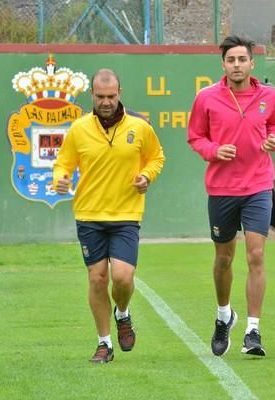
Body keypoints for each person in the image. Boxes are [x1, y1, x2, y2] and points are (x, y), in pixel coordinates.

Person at [53, 68, 165, 363]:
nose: (105, 101)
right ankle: (104, 343)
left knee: (123, 278)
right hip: (89, 214)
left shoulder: (139, 127)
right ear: (91, 95)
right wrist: (61, 178)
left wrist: (147, 176)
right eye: (100, 96)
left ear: (120, 94)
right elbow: (63, 163)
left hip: (126, 213)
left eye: (111, 96)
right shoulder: (79, 129)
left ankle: (123, 313)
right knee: (97, 279)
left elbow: (156, 157)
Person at [187, 35, 275, 357]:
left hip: (258, 185)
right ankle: (223, 316)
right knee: (224, 258)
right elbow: (195, 138)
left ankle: (253, 331)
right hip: (221, 189)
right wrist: (215, 150)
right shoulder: (206, 98)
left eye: (242, 59)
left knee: (256, 255)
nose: (237, 65)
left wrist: (274, 140)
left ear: (251, 63)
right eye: (231, 60)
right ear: (224, 65)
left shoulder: (269, 96)